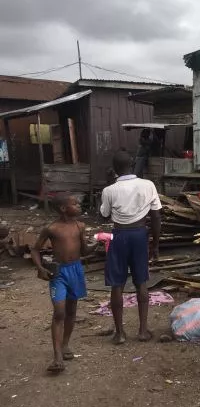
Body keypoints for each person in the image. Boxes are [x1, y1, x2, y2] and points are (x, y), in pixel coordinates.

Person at [100, 150, 162, 344]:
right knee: (141, 282)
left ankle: (120, 334)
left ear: (114, 168)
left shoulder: (109, 190)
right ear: (133, 163)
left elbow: (103, 215)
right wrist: (156, 244)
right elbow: (156, 217)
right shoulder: (147, 185)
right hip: (139, 235)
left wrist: (108, 182)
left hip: (118, 235)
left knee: (116, 284)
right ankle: (143, 331)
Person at [31, 193, 88, 372]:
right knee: (59, 312)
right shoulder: (52, 228)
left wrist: (96, 245)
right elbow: (34, 249)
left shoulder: (80, 226)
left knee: (71, 311)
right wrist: (40, 268)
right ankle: (57, 358)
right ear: (64, 208)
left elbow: (85, 250)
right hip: (59, 273)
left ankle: (65, 345)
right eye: (74, 204)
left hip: (76, 270)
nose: (79, 205)